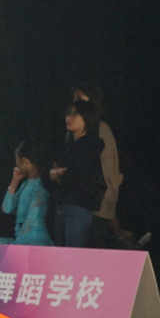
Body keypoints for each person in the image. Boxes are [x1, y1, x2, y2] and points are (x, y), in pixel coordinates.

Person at [71, 83, 125, 243]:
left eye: (80, 99)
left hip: (95, 209)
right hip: (75, 206)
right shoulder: (74, 130)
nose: (76, 103)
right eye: (75, 99)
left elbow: (110, 174)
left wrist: (108, 212)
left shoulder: (101, 130)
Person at [49, 100, 106, 247]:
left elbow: (79, 175)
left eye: (75, 114)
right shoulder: (67, 145)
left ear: (87, 118)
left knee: (72, 255)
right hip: (61, 205)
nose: (69, 118)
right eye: (68, 114)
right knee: (60, 255)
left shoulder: (91, 145)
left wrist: (59, 175)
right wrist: (54, 174)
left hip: (78, 206)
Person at [0, 140, 54, 246]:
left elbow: (32, 221)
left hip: (35, 242)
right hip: (22, 240)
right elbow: (7, 208)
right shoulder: (25, 184)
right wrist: (14, 182)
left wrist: (18, 245)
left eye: (17, 161)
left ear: (25, 162)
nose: (16, 165)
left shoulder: (39, 187)